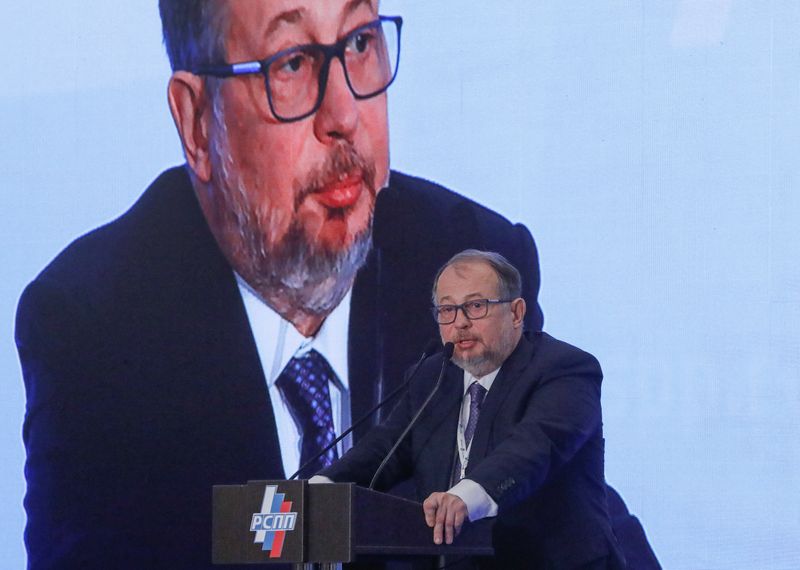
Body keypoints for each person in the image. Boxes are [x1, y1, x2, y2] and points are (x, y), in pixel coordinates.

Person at [15, 1, 657, 568]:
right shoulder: (95, 330)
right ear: (196, 123)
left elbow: (562, 528)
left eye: (358, 43)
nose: (344, 114)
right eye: (291, 62)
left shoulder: (468, 269)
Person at [318, 250, 626, 569]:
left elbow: (536, 444)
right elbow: (387, 447)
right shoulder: (432, 377)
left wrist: (467, 496)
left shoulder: (564, 369)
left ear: (517, 313)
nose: (460, 322)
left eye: (476, 306)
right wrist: (323, 488)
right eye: (448, 309)